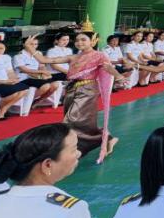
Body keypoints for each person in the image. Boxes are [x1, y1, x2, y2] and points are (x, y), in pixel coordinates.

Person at [26, 18, 128, 161]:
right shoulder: (73, 57)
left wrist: (118, 76)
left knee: (70, 120)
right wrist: (30, 48)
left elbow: (108, 67)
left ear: (93, 41)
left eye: (83, 40)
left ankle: (69, 150)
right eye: (77, 40)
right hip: (71, 89)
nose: (79, 42)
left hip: (87, 90)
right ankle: (106, 138)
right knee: (82, 123)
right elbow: (46, 61)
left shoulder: (99, 55)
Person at [0, 39, 30, 119]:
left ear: (5, 49)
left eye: (1, 48)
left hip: (5, 83)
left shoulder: (6, 57)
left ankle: (3, 109)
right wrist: (3, 81)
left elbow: (10, 72)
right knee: (15, 93)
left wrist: (14, 79)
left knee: (24, 89)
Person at [13, 36, 62, 104]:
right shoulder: (18, 56)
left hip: (36, 76)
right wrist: (42, 72)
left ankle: (39, 100)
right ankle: (28, 100)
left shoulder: (38, 54)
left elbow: (41, 66)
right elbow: (24, 70)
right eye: (31, 44)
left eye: (35, 44)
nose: (33, 46)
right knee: (46, 86)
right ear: (24, 44)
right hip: (24, 78)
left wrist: (45, 72)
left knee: (55, 85)